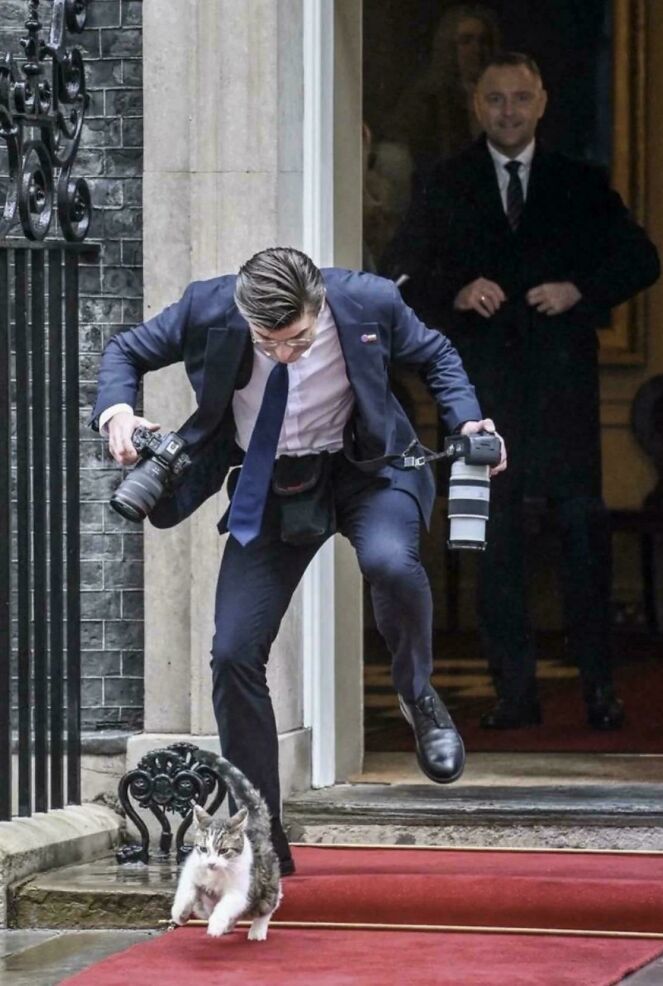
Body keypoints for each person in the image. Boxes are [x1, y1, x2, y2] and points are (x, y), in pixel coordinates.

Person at [91, 247, 506, 874]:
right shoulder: (207, 306)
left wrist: (469, 423)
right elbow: (125, 350)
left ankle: (417, 694)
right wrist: (117, 411)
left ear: (320, 305)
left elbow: (437, 354)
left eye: (301, 339)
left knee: (391, 563)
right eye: (270, 342)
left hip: (369, 470)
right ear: (244, 315)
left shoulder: (369, 300)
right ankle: (261, 835)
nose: (286, 353)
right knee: (233, 652)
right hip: (274, 482)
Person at [388, 52, 660, 732]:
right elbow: (401, 272)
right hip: (479, 395)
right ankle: (513, 693)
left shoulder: (580, 182)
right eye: (495, 99)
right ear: (476, 106)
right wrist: (456, 291)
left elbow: (641, 259)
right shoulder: (445, 181)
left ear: (541, 103)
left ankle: (599, 687)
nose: (508, 111)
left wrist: (579, 291)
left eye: (520, 98)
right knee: (495, 539)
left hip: (563, 390)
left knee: (581, 535)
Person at [384, 4, 500, 175]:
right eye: (466, 41)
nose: (477, 49)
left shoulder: (506, 98)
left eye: (483, 41)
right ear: (450, 48)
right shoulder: (428, 98)